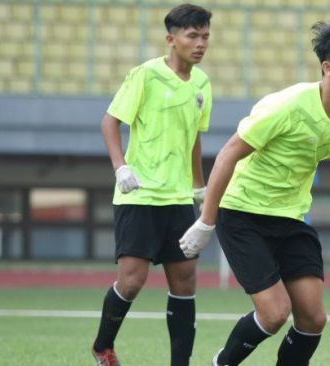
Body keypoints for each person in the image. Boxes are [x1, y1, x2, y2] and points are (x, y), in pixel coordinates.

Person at [179, 17, 330, 366]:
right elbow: (229, 152)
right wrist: (206, 222)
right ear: (328, 67)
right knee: (274, 314)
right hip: (243, 213)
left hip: (290, 217)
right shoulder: (287, 105)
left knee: (313, 319)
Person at [91, 4, 213, 366]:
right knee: (131, 282)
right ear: (171, 39)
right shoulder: (145, 75)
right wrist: (120, 167)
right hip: (139, 194)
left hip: (178, 199)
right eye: (192, 35)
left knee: (186, 282)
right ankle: (102, 346)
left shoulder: (203, 84)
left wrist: (200, 187)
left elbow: (194, 139)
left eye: (205, 36)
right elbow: (109, 123)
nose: (200, 43)